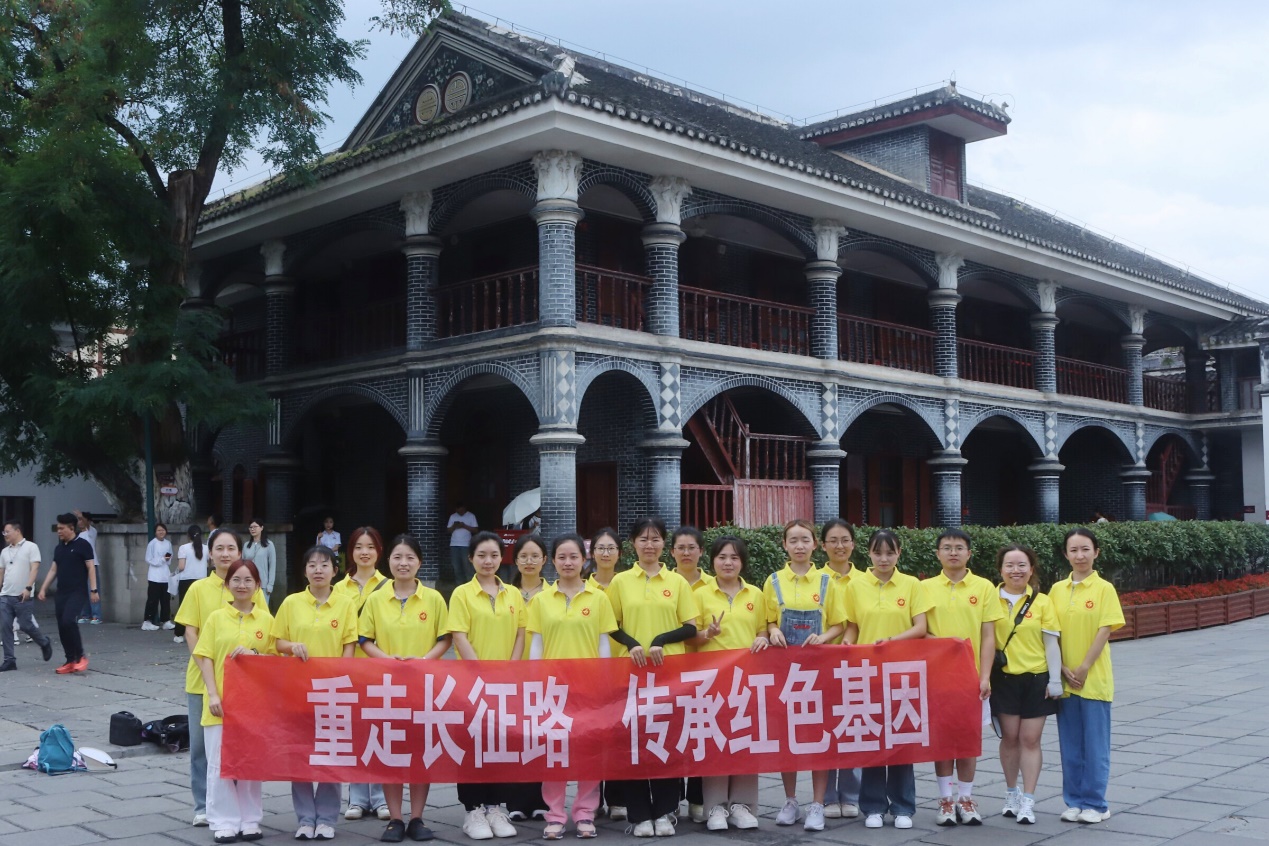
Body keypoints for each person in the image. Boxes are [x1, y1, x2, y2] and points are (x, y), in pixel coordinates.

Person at [605, 518, 698, 838]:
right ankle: (639, 814)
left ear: (663, 544)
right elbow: (611, 625)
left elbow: (690, 627)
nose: (649, 545)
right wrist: (633, 645)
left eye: (655, 539)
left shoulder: (677, 582)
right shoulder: (620, 582)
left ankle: (664, 811)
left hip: (668, 674)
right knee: (633, 745)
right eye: (643, 539)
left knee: (665, 743)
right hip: (629, 674)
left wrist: (660, 639)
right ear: (633, 544)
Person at [359, 534, 450, 843]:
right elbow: (365, 639)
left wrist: (423, 662)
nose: (403, 563)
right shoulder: (376, 599)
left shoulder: (434, 599)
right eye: (397, 557)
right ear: (389, 562)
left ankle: (417, 818)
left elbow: (445, 638)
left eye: (410, 557)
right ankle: (395, 818)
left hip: (424, 686)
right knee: (391, 752)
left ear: (419, 563)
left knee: (421, 752)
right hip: (386, 687)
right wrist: (387, 661)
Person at [528, 533, 617, 840]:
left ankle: (584, 812)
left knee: (588, 751)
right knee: (555, 752)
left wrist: (604, 682)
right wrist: (535, 684)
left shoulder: (598, 598)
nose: (568, 562)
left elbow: (604, 642)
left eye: (574, 557)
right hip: (552, 689)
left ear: (584, 559)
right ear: (553, 561)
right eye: (562, 557)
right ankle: (554, 814)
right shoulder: (541, 600)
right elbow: (536, 644)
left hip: (589, 688)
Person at [174, 528, 264, 828]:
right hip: (203, 680)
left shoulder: (251, 586)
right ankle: (203, 805)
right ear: (210, 553)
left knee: (240, 746)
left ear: (240, 552)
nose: (225, 554)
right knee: (202, 747)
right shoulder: (198, 589)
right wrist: (206, 667)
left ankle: (237, 806)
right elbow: (190, 632)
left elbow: (265, 630)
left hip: (244, 684)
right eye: (220, 549)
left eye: (231, 548)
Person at [842, 529, 931, 830]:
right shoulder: (855, 585)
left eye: (890, 553)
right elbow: (852, 625)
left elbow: (920, 627)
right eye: (878, 553)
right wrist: (848, 642)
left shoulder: (911, 584)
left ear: (899, 554)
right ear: (868, 553)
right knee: (873, 739)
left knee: (902, 740)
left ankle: (903, 805)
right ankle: (873, 806)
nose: (883, 559)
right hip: (867, 673)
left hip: (903, 673)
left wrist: (891, 641)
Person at [764, 519, 844, 832]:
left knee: (819, 737)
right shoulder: (773, 581)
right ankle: (790, 800)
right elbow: (767, 621)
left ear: (815, 545)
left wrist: (823, 638)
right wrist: (772, 631)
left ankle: (817, 804)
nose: (799, 546)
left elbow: (839, 624)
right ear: (784, 545)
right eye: (793, 540)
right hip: (785, 673)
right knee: (788, 737)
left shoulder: (827, 581)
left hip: (819, 672)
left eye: (805, 540)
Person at [273, 545, 358, 841]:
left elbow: (349, 645)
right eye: (312, 565)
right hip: (297, 691)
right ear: (305, 571)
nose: (318, 570)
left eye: (324, 565)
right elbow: (277, 641)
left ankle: (326, 818)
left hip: (332, 691)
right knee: (300, 756)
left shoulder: (346, 604)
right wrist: (291, 646)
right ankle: (305, 819)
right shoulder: (291, 603)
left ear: (335, 570)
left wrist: (341, 680)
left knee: (330, 757)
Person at [922, 528, 1003, 826]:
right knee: (942, 740)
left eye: (959, 547)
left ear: (969, 553)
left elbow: (988, 635)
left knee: (969, 739)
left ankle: (966, 799)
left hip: (972, 677)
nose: (953, 552)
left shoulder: (984, 587)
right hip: (936, 677)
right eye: (947, 547)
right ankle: (946, 800)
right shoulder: (924, 588)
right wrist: (943, 645)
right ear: (937, 554)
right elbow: (919, 630)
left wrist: (985, 677)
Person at [450, 531, 525, 841]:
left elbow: (520, 633)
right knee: (471, 745)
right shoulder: (461, 594)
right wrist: (480, 673)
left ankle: (495, 808)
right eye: (481, 555)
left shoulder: (513, 593)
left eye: (494, 555)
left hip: (505, 683)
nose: (488, 561)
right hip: (471, 682)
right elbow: (458, 635)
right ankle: (473, 810)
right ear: (471, 558)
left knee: (499, 745)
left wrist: (510, 670)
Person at [193, 558, 275, 844]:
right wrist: (213, 694)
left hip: (253, 706)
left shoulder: (267, 620)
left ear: (258, 585)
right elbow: (204, 657)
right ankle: (224, 821)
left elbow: (276, 660)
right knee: (219, 763)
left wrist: (256, 654)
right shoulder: (216, 618)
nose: (242, 585)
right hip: (220, 703)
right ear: (227, 585)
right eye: (236, 580)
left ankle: (250, 819)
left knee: (250, 762)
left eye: (248, 580)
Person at [690, 534, 766, 831]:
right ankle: (715, 807)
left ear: (742, 563)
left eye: (734, 557)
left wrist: (762, 638)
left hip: (747, 681)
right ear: (712, 561)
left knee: (745, 742)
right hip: (712, 683)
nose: (728, 563)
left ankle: (742, 806)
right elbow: (691, 639)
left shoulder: (755, 595)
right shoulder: (699, 594)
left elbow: (762, 630)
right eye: (722, 557)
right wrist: (707, 634)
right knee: (716, 744)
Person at [1050, 527, 1124, 825]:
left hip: (1093, 680)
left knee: (1095, 746)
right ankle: (1074, 801)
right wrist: (1061, 667)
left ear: (1096, 552)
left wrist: (1083, 667)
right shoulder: (1057, 590)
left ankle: (1096, 803)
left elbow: (1105, 630)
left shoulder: (1104, 589)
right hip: (1065, 680)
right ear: (1066, 554)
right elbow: (1050, 632)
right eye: (1074, 550)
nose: (1079, 555)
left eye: (1085, 549)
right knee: (1070, 746)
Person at [992, 545, 1063, 825]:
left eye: (1022, 565)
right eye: (1009, 565)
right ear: (1000, 569)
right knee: (1009, 738)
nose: (1016, 571)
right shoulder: (990, 599)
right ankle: (1012, 793)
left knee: (1030, 739)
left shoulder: (1042, 602)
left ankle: (1029, 800)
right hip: (1004, 679)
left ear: (1031, 569)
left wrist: (1055, 680)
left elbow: (1051, 643)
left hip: (1036, 679)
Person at [335, 526, 392, 821]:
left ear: (379, 551)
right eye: (359, 547)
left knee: (381, 732)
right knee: (356, 733)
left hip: (380, 670)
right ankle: (357, 798)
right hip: (349, 670)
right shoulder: (338, 588)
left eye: (370, 546)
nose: (365, 552)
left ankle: (382, 798)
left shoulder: (390, 586)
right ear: (351, 552)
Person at [819, 519, 863, 821]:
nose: (839, 546)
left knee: (851, 728)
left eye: (845, 540)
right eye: (833, 540)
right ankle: (826, 796)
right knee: (824, 730)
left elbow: (857, 622)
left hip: (855, 664)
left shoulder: (865, 580)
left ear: (853, 544)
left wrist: (848, 643)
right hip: (819, 666)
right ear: (822, 546)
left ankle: (850, 794)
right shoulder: (815, 579)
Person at [505, 533, 549, 824]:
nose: (529, 561)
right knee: (515, 738)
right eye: (523, 556)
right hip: (511, 675)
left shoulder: (554, 593)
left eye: (535, 556)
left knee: (542, 738)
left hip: (545, 676)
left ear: (544, 560)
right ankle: (516, 801)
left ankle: (542, 800)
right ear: (516, 560)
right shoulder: (505, 593)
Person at [669, 525, 711, 823]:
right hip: (670, 671)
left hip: (705, 672)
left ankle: (698, 798)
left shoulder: (713, 584)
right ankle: (671, 798)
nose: (686, 553)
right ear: (672, 552)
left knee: (700, 736)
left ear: (701, 552)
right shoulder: (663, 583)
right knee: (670, 736)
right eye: (680, 548)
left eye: (691, 547)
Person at [38, 513, 99, 674]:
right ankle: (70, 660)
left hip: (77, 592)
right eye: (57, 528)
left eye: (61, 528)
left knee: (68, 621)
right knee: (62, 626)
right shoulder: (59, 548)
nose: (58, 531)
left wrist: (94, 590)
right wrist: (43, 588)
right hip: (62, 593)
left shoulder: (83, 545)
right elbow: (53, 570)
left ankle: (80, 656)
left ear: (71, 528)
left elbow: (91, 567)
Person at [0, 521, 54, 669]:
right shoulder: (4, 552)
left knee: (25, 625)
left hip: (23, 595)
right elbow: (1, 572)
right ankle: (9, 660)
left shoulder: (31, 547)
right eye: (4, 532)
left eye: (7, 531)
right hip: (6, 595)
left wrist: (28, 587)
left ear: (17, 531)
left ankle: (44, 642)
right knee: (5, 627)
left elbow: (34, 568)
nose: (5, 535)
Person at [174, 526, 209, 644]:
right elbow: (210, 564)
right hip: (202, 580)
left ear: (188, 535)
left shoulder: (183, 548)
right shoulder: (206, 548)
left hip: (186, 580)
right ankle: (201, 633)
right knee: (200, 607)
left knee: (184, 607)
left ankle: (179, 634)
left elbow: (181, 567)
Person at [142, 523, 175, 631]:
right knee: (153, 599)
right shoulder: (152, 544)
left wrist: (166, 559)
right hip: (154, 576)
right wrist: (161, 560)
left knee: (165, 599)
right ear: (155, 532)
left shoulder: (168, 543)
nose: (161, 532)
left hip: (165, 575)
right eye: (159, 530)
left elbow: (170, 556)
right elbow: (148, 559)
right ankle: (147, 621)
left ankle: (166, 620)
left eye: (163, 530)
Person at [74, 509, 103, 624]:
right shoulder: (78, 535)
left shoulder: (92, 532)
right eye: (78, 520)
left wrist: (81, 516)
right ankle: (85, 614)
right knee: (82, 590)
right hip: (81, 566)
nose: (79, 522)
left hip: (92, 564)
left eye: (81, 520)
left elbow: (87, 525)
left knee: (93, 589)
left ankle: (96, 615)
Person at [243, 520, 276, 605]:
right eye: (250, 527)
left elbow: (272, 565)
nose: (252, 529)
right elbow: (242, 564)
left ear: (261, 528)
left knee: (262, 608)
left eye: (255, 527)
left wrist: (270, 585)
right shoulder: (246, 545)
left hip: (263, 584)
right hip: (248, 583)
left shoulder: (269, 545)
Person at [446, 503, 479, 583]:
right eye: (458, 510)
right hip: (454, 545)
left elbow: (476, 530)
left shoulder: (471, 516)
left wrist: (464, 526)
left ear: (464, 508)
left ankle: (470, 584)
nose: (459, 512)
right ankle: (459, 585)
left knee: (467, 566)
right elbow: (448, 531)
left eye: (461, 510)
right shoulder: (453, 516)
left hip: (466, 545)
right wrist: (454, 526)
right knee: (456, 567)